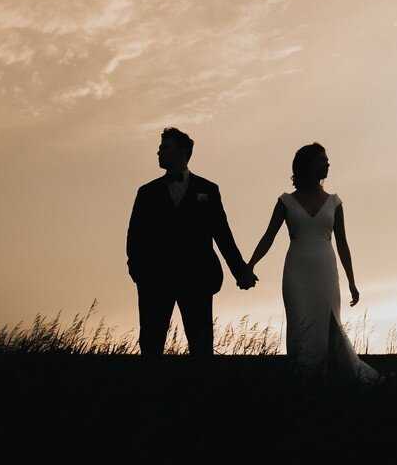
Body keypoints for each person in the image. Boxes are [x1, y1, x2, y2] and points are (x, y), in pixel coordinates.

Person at [245, 142, 382, 382]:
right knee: (300, 322)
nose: (327, 163)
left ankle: (330, 377)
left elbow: (342, 243)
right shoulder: (286, 201)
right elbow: (268, 236)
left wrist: (352, 281)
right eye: (322, 159)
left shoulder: (335, 202)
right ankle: (302, 377)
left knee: (329, 323)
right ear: (307, 164)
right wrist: (250, 264)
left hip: (326, 271)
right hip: (297, 271)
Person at [126, 127, 257, 358]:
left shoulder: (208, 189)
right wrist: (138, 272)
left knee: (201, 346)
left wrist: (240, 271)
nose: (158, 152)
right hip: (156, 280)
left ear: (183, 152)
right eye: (160, 148)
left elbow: (222, 234)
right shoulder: (147, 193)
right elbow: (135, 236)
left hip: (197, 278)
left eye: (165, 147)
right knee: (151, 344)